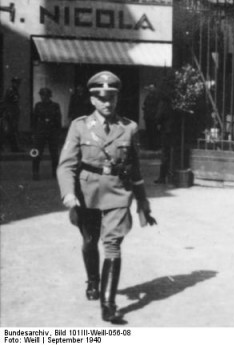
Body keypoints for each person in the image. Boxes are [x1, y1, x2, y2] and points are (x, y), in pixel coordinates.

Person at [57, 71, 157, 323]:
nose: (107, 103)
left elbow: (134, 170)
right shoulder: (79, 126)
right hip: (87, 192)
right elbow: (66, 165)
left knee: (112, 243)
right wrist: (69, 193)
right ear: (92, 100)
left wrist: (142, 201)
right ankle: (93, 280)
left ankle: (108, 304)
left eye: (111, 97)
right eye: (101, 98)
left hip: (117, 191)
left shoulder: (129, 128)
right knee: (90, 240)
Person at [31, 87, 62, 180]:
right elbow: (34, 120)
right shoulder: (38, 105)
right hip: (41, 131)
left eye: (45, 95)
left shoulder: (55, 105)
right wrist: (33, 132)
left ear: (49, 96)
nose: (43, 97)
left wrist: (58, 132)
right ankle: (35, 172)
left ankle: (55, 172)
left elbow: (58, 119)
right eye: (41, 95)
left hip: (52, 131)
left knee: (54, 154)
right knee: (36, 153)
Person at [154, 86, 174, 184]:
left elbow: (159, 115)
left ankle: (162, 177)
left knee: (165, 154)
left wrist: (157, 122)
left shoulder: (163, 103)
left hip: (166, 130)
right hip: (173, 130)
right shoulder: (173, 102)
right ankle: (170, 176)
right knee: (171, 154)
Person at [1, 76, 22, 152]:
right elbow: (11, 101)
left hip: (13, 113)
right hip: (10, 113)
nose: (17, 84)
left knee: (12, 131)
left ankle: (14, 147)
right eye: (16, 82)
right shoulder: (11, 90)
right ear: (13, 83)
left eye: (18, 83)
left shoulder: (14, 90)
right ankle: (14, 147)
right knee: (10, 131)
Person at [142, 83, 160, 150]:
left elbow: (157, 106)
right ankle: (149, 146)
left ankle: (154, 147)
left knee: (154, 132)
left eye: (152, 88)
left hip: (154, 117)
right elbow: (145, 105)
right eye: (150, 88)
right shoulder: (148, 96)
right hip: (148, 117)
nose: (151, 89)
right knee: (149, 132)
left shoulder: (156, 97)